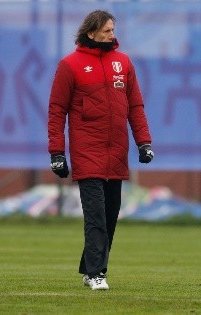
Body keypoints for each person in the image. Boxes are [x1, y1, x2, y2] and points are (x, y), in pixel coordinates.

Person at [47, 10, 153, 290]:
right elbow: (57, 110)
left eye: (113, 30)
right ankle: (97, 274)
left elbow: (136, 106)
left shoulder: (123, 63)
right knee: (95, 216)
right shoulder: (70, 65)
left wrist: (144, 142)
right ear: (91, 33)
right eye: (106, 31)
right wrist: (57, 153)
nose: (111, 35)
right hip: (86, 152)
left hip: (117, 153)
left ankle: (89, 266)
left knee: (109, 216)